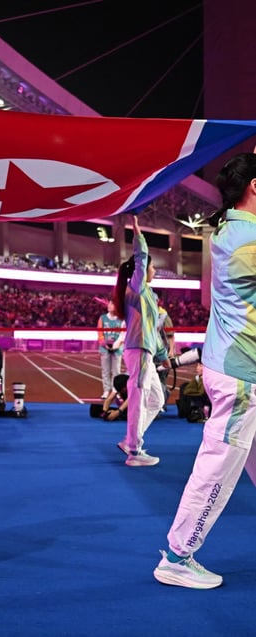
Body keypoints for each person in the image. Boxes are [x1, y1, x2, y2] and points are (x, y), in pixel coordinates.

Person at [153, 152, 256, 590]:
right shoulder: (247, 239)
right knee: (217, 467)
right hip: (241, 373)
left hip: (232, 365)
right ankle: (178, 556)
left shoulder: (231, 229)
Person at [113, 215, 170, 467]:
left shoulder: (148, 294)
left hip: (147, 352)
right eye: (152, 267)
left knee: (156, 399)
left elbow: (153, 330)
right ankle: (135, 452)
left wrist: (162, 355)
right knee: (138, 397)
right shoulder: (135, 288)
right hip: (138, 351)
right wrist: (137, 232)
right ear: (142, 271)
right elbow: (141, 257)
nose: (154, 270)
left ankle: (130, 440)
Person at [97, 299, 125, 399]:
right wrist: (104, 344)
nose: (109, 305)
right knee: (105, 370)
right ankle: (106, 390)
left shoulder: (122, 319)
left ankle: (116, 391)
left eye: (112, 304)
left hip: (117, 348)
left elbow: (123, 334)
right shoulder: (102, 318)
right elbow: (100, 333)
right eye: (108, 303)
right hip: (105, 348)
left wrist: (116, 345)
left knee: (116, 371)